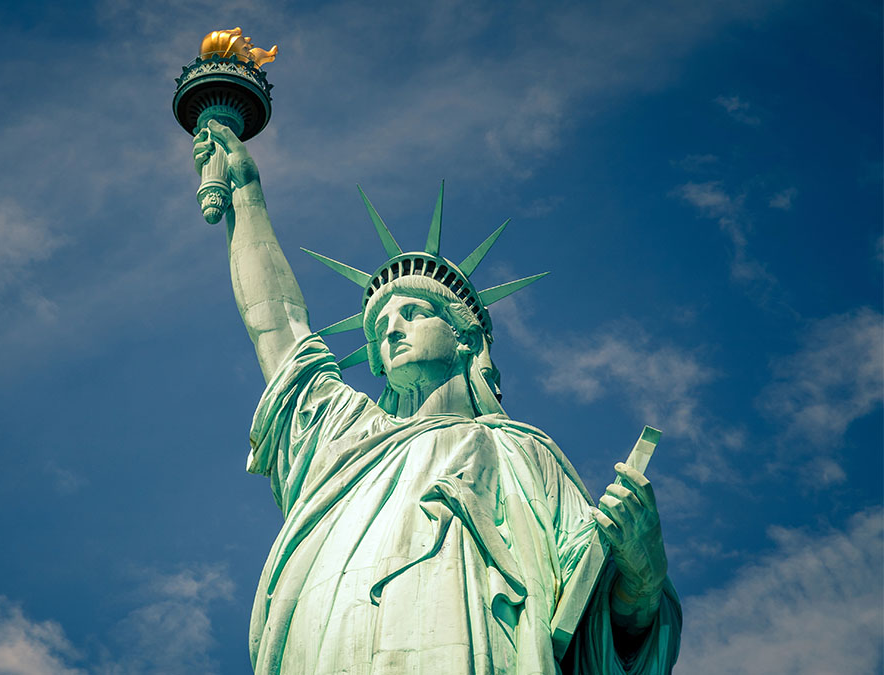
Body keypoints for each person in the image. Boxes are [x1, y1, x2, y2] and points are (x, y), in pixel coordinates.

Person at [194, 119, 682, 674]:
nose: (391, 329)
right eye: (380, 325)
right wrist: (247, 198)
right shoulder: (343, 436)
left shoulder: (525, 457)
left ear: (465, 335)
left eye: (413, 312)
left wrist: (642, 570)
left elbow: (595, 612)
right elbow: (277, 329)